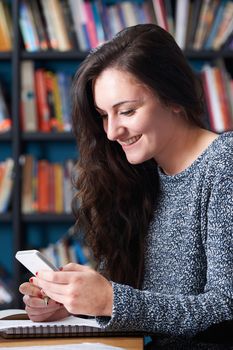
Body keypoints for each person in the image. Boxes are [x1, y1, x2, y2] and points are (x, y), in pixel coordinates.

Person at [19, 24, 233, 349]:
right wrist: (78, 302)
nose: (111, 132)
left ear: (173, 98)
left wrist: (110, 301)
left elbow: (225, 308)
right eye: (104, 115)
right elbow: (150, 303)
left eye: (127, 111)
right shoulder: (141, 176)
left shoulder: (224, 164)